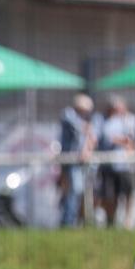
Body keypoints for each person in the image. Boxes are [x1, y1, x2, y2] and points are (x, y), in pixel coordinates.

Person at [97, 95, 135, 228]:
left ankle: (128, 221)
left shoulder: (131, 120)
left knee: (128, 194)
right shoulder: (105, 121)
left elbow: (132, 142)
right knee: (110, 196)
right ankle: (111, 221)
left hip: (126, 166)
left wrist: (125, 141)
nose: (117, 110)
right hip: (110, 166)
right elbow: (108, 138)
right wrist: (122, 140)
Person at [59, 94, 97, 227]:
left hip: (82, 164)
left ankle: (80, 221)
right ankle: (67, 223)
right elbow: (79, 128)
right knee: (71, 192)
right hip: (70, 162)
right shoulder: (68, 114)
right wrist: (86, 128)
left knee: (81, 193)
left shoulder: (86, 120)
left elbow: (92, 138)